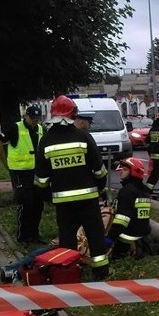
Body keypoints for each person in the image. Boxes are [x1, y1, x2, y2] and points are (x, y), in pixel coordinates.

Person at [34, 96, 110, 280]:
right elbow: (100, 170)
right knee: (95, 235)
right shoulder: (83, 136)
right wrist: (100, 188)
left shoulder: (45, 141)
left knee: (67, 238)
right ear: (73, 114)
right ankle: (100, 273)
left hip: (63, 202)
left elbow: (41, 179)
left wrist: (47, 197)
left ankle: (69, 273)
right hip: (88, 199)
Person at [0, 105, 45, 245]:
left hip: (36, 173)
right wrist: (6, 163)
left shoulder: (40, 129)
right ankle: (23, 236)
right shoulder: (15, 128)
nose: (34, 121)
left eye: (37, 119)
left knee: (38, 205)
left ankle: (35, 234)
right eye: (32, 118)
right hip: (20, 173)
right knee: (26, 203)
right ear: (26, 116)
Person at [106, 157, 152, 258]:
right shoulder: (144, 191)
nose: (121, 171)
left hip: (127, 238)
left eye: (125, 169)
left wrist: (110, 238)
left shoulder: (127, 191)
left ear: (134, 172)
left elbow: (122, 220)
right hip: (143, 236)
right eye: (121, 168)